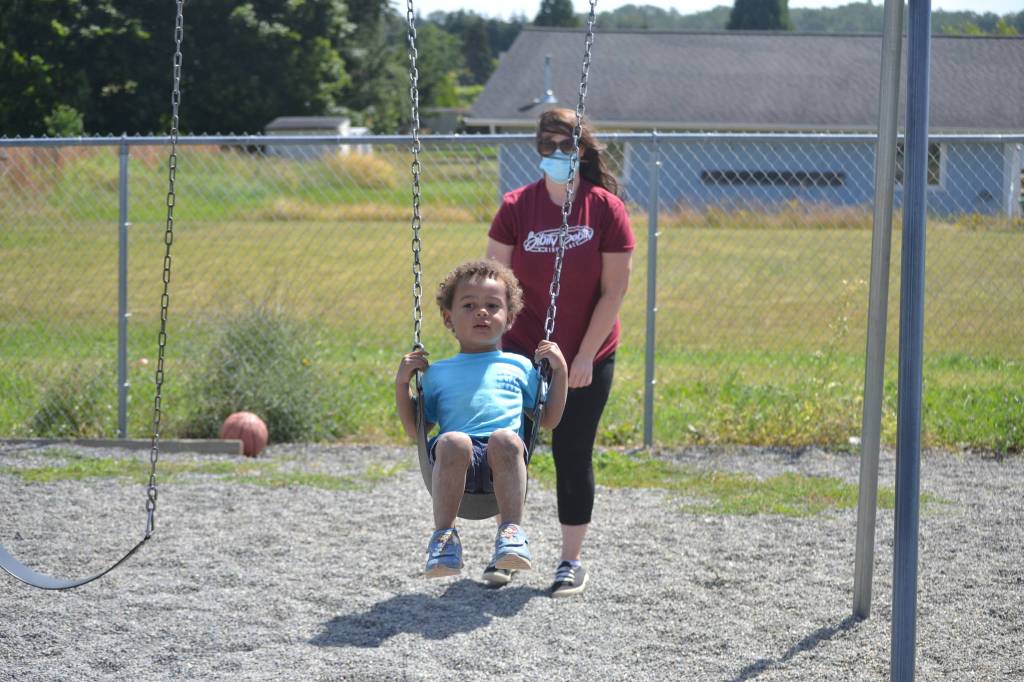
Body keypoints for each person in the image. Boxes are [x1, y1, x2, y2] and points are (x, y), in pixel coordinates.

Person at [486, 108, 635, 597]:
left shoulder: (605, 209)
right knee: (510, 451)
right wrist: (493, 352)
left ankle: (570, 562)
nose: (555, 154)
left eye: (565, 145)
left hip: (587, 351)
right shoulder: (516, 207)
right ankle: (509, 550)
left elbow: (612, 292)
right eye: (546, 145)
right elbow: (496, 286)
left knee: (573, 454)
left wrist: (585, 358)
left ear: (583, 151)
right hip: (521, 353)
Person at [395, 259, 568, 579]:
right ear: (449, 318)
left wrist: (560, 372)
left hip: (502, 461)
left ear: (510, 317)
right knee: (454, 441)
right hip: (452, 461)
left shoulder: (519, 367)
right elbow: (414, 428)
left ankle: (511, 534)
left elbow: (549, 419)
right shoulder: (437, 373)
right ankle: (444, 538)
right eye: (470, 305)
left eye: (492, 305)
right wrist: (403, 383)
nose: (482, 312)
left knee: (505, 439)